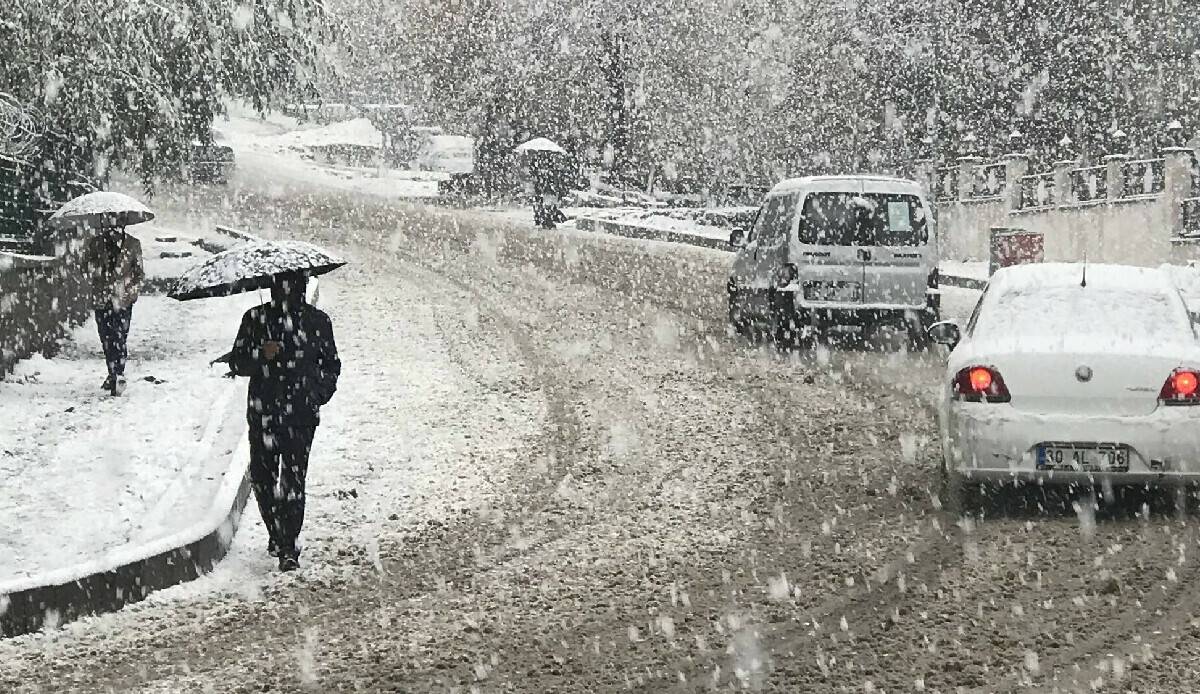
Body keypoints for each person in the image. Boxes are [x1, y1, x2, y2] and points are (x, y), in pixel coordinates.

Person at [228, 272, 340, 571]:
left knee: (292, 481)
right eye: (282, 287)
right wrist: (260, 353)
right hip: (263, 411)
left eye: (294, 287)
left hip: (300, 414)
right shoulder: (255, 319)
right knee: (263, 479)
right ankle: (276, 533)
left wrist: (317, 394)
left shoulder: (317, 322)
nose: (289, 294)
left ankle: (288, 544)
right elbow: (238, 362)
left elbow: (331, 364)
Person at [83, 227, 144, 396]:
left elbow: (139, 273)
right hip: (102, 300)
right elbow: (85, 268)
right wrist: (98, 266)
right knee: (106, 337)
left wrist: (131, 291)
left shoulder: (133, 244)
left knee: (120, 336)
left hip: (123, 299)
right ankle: (112, 372)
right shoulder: (97, 243)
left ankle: (118, 373)